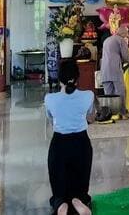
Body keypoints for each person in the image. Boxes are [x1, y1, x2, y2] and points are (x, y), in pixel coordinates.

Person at [46, 60, 95, 213]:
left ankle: (60, 203)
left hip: (59, 144)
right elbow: (91, 117)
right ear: (77, 78)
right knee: (81, 181)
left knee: (58, 182)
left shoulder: (49, 99)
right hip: (81, 144)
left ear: (59, 78)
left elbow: (51, 120)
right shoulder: (88, 96)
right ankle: (79, 200)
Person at [100, 25, 129, 116]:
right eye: (127, 33)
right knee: (120, 91)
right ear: (124, 33)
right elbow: (125, 56)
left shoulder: (107, 40)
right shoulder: (121, 40)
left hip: (104, 69)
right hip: (115, 68)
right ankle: (122, 113)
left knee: (108, 93)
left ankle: (109, 113)